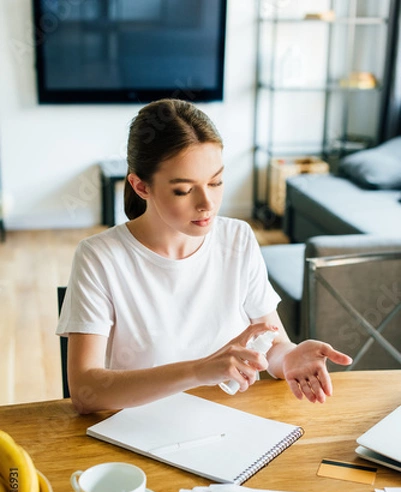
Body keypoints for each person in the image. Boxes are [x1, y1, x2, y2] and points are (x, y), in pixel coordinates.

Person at [57, 98, 352, 414]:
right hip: (142, 431)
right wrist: (199, 370)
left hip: (232, 423)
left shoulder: (237, 239)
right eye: (184, 190)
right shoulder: (99, 257)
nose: (207, 203)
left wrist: (290, 356)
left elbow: (272, 343)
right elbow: (85, 392)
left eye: (216, 181)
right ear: (141, 186)